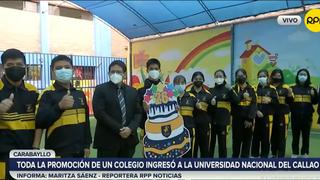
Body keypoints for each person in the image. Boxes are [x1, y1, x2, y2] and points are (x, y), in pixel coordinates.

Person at [36, 55, 92, 158]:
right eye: (58, 68)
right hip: (58, 153)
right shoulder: (48, 94)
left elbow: (86, 122)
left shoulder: (79, 94)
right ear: (53, 72)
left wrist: (87, 145)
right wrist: (59, 107)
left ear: (72, 70)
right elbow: (40, 122)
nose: (63, 70)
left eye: (67, 67)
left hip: (79, 152)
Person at [0, 49, 39, 179]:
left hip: (29, 154)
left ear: (25, 67)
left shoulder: (32, 91)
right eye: (10, 65)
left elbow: (39, 122)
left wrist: (35, 148)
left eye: (19, 64)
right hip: (4, 155)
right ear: (3, 67)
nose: (15, 68)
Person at [93, 60, 142, 157]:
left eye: (119, 72)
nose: (115, 74)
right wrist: (120, 129)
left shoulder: (133, 91)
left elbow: (138, 113)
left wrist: (130, 129)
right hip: (107, 141)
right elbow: (99, 113)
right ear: (109, 73)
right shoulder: (100, 89)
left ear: (124, 74)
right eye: (113, 72)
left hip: (129, 140)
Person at [208, 69, 239, 158]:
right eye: (216, 76)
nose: (218, 78)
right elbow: (208, 107)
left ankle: (223, 163)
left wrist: (231, 90)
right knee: (211, 144)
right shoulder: (211, 90)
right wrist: (212, 104)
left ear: (224, 77)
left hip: (223, 121)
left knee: (222, 144)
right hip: (212, 121)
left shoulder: (228, 89)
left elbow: (237, 101)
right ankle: (208, 163)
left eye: (220, 76)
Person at [290, 69, 318, 158]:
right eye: (301, 74)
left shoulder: (311, 88)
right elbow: (289, 102)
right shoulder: (293, 88)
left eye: (304, 74)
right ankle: (295, 153)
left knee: (306, 136)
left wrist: (314, 95)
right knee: (295, 136)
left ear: (307, 76)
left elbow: (315, 102)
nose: (302, 76)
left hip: (307, 117)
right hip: (295, 116)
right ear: (298, 76)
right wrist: (289, 96)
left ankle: (304, 153)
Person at [251, 69, 278, 158]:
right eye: (260, 76)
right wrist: (256, 111)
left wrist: (271, 100)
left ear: (267, 78)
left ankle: (264, 157)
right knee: (255, 138)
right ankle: (254, 156)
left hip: (267, 118)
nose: (261, 78)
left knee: (266, 138)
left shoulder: (272, 89)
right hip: (255, 117)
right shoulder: (254, 89)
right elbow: (251, 102)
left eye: (263, 76)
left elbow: (277, 104)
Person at [231, 68, 256, 158]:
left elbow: (253, 105)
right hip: (236, 119)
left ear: (246, 76)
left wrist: (249, 119)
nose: (240, 77)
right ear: (236, 77)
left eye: (242, 75)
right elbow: (234, 102)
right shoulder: (233, 89)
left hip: (248, 120)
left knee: (247, 141)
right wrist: (242, 95)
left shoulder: (252, 89)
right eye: (238, 75)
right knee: (236, 141)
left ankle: (244, 162)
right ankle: (235, 162)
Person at [137, 58, 162, 145]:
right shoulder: (141, 91)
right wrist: (143, 109)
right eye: (151, 69)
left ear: (160, 70)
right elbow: (137, 111)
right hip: (148, 129)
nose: (154, 71)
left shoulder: (166, 90)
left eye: (156, 69)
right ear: (147, 70)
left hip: (164, 129)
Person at [187, 71, 212, 158]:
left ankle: (204, 169)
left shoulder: (208, 95)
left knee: (205, 149)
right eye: (196, 79)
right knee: (192, 149)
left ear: (203, 80)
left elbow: (212, 111)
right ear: (192, 80)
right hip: (191, 125)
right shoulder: (187, 94)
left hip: (204, 126)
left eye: (200, 79)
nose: (198, 80)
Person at [270, 69, 293, 158]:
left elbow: (290, 101)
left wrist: (290, 95)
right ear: (272, 76)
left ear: (281, 77)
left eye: (279, 75)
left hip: (282, 115)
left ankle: (280, 155)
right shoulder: (269, 87)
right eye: (275, 75)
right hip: (271, 115)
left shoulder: (286, 87)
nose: (277, 77)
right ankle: (273, 153)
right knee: (272, 135)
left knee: (281, 136)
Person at [173, 75, 197, 158]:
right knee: (176, 155)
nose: (180, 85)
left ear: (185, 84)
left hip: (189, 129)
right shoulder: (169, 98)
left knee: (189, 155)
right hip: (174, 132)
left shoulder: (192, 97)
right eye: (177, 83)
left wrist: (199, 105)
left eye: (182, 83)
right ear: (173, 84)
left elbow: (198, 110)